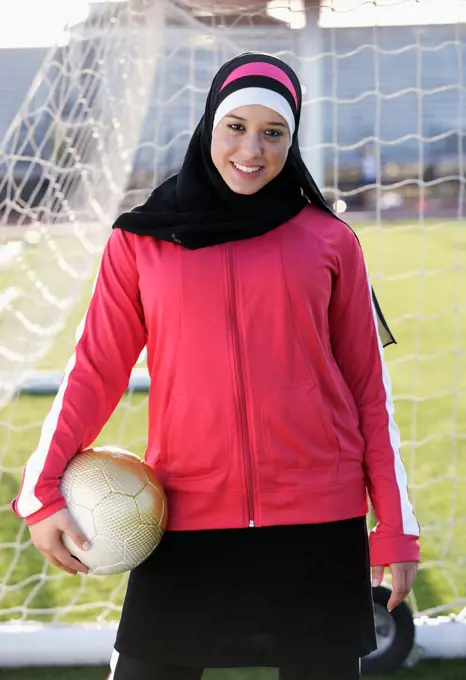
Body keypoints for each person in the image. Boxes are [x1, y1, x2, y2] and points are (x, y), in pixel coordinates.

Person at [12, 53, 420, 680]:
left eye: (272, 132)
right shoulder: (141, 240)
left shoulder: (331, 242)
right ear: (209, 126)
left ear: (292, 138)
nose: (252, 150)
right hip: (184, 512)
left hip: (318, 519)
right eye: (236, 126)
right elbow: (95, 370)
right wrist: (40, 493)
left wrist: (394, 524)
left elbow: (369, 390)